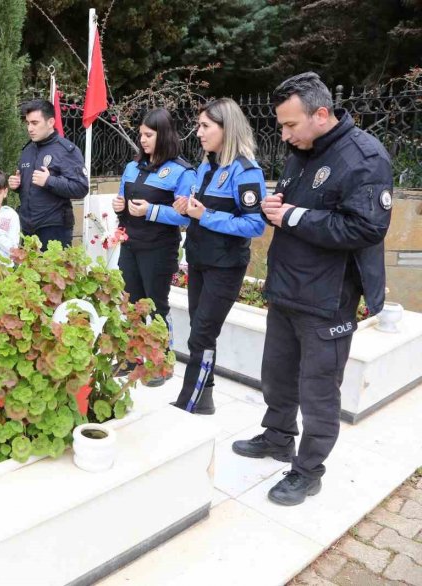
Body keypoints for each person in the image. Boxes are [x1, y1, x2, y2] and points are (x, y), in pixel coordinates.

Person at [232, 72, 392, 506]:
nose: (283, 134)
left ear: (321, 114)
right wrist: (273, 209)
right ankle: (278, 436)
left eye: (290, 125)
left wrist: (294, 217)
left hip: (328, 299)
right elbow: (289, 205)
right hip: (287, 288)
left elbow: (368, 226)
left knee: (319, 391)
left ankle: (308, 470)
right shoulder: (301, 150)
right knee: (278, 375)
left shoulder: (364, 158)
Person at [171, 98, 266, 414]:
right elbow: (199, 211)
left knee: (201, 334)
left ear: (227, 128)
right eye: (199, 125)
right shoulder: (206, 165)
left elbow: (255, 224)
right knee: (200, 333)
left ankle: (192, 401)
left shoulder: (246, 171)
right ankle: (204, 396)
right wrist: (187, 207)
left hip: (225, 267)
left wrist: (205, 215)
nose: (198, 132)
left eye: (205, 126)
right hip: (199, 261)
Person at [111, 108, 196, 384]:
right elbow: (123, 201)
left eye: (149, 135)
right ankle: (131, 357)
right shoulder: (132, 167)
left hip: (159, 247)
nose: (143, 140)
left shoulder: (182, 172)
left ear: (165, 135)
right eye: (141, 135)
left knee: (156, 304)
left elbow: (185, 215)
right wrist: (119, 206)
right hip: (131, 244)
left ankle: (162, 362)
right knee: (130, 304)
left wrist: (151, 211)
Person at [8, 99, 88, 250]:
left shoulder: (67, 150)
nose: (30, 128)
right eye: (28, 123)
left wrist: (49, 181)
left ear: (51, 122)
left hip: (54, 229)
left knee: (53, 274)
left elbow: (81, 188)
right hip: (28, 228)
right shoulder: (27, 150)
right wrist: (18, 184)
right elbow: (30, 187)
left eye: (35, 123)